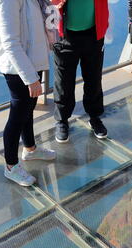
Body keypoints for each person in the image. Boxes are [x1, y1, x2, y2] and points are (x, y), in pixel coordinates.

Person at [0, 0, 56, 187]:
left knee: (27, 108)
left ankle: (30, 149)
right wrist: (30, 78)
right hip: (18, 66)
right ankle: (11, 166)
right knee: (18, 114)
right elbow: (10, 42)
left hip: (31, 59)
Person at [52, 0, 110, 143]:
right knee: (64, 81)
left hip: (94, 32)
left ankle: (94, 117)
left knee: (94, 78)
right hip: (64, 35)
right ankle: (62, 120)